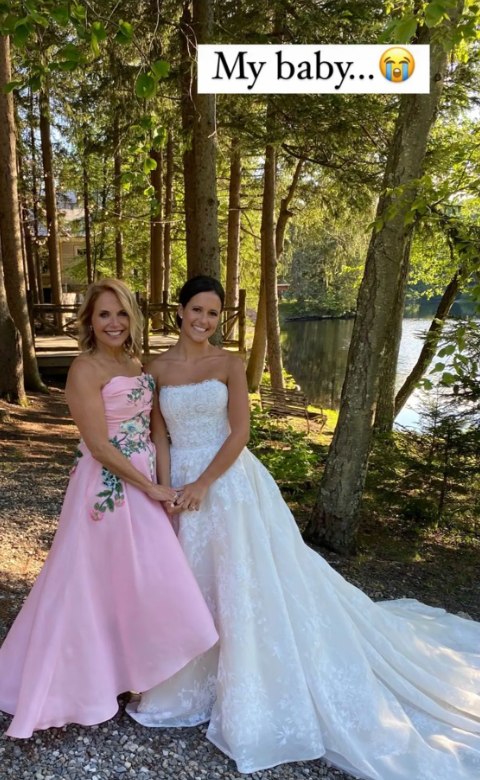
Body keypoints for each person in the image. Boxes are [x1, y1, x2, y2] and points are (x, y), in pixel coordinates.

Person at [128, 275, 480, 779]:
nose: (203, 321)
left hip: (228, 483)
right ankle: (185, 679)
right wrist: (166, 492)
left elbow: (241, 433)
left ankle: (245, 682)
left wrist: (203, 483)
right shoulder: (156, 368)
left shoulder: (228, 364)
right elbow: (159, 436)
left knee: (243, 582)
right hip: (179, 483)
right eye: (196, 310)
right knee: (189, 581)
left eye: (213, 313)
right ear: (179, 311)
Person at [0, 278, 218, 739]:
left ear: (132, 317)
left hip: (141, 476)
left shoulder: (135, 363)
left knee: (139, 576)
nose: (114, 323)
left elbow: (155, 429)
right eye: (104, 315)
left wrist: (162, 482)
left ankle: (133, 672)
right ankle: (81, 683)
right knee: (92, 580)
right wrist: (151, 488)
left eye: (121, 313)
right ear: (90, 321)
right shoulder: (85, 368)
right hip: (108, 486)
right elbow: (98, 445)